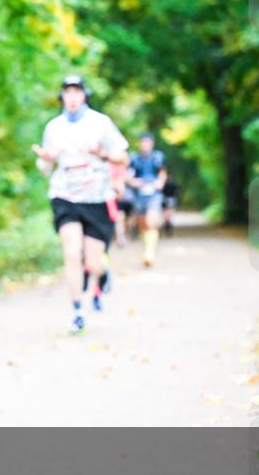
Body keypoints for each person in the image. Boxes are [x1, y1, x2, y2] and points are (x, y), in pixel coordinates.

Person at [33, 75, 128, 333]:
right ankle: (77, 311)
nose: (72, 97)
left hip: (96, 198)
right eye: (68, 92)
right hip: (65, 196)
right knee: (72, 252)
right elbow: (45, 167)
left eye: (77, 92)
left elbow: (123, 158)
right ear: (62, 96)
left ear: (84, 95)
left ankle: (102, 272)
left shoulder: (101, 123)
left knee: (93, 263)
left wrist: (102, 154)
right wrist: (47, 159)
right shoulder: (54, 128)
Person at [126, 132, 168, 266]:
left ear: (152, 144)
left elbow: (162, 172)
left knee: (151, 221)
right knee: (142, 223)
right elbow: (128, 175)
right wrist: (133, 182)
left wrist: (160, 182)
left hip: (154, 193)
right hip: (139, 194)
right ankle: (147, 248)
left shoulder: (158, 157)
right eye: (143, 142)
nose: (145, 145)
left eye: (147, 142)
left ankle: (149, 253)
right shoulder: (134, 158)